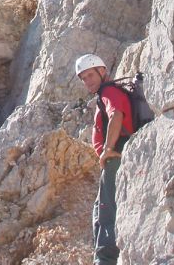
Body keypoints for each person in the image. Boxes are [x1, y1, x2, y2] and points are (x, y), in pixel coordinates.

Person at [75, 54, 134, 265]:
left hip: (114, 159)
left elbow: (116, 114)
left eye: (90, 74)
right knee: (100, 211)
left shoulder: (109, 91)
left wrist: (108, 149)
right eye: (83, 78)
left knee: (106, 212)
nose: (87, 81)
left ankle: (106, 260)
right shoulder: (105, 93)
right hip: (113, 160)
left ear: (102, 71)